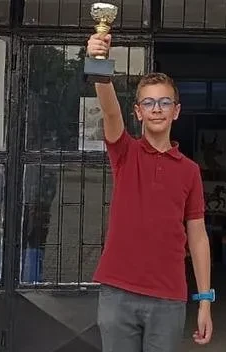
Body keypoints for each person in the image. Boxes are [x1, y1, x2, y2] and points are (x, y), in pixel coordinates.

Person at [88, 31, 214, 351]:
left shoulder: (190, 171)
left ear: (176, 111)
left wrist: (205, 300)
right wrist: (98, 62)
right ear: (138, 112)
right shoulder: (125, 154)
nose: (156, 109)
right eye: (148, 102)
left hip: (168, 298)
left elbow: (198, 237)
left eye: (164, 102)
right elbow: (111, 112)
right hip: (118, 293)